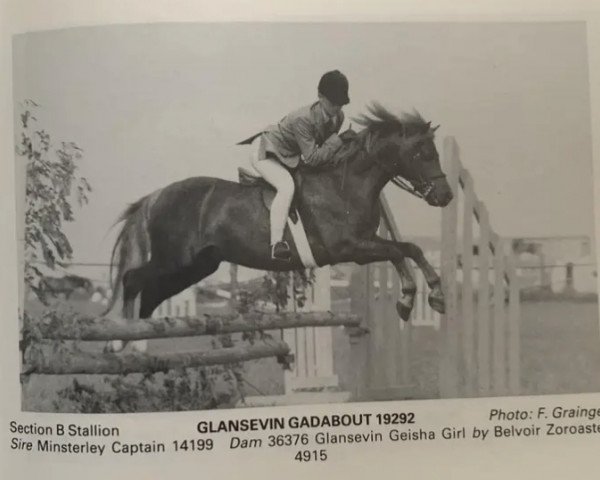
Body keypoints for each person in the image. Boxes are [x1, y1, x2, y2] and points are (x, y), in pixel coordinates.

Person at [248, 70, 354, 261]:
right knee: (286, 187)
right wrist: (338, 141)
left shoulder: (339, 117)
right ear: (320, 97)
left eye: (340, 104)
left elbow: (324, 151)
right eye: (332, 103)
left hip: (291, 156)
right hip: (266, 153)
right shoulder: (302, 119)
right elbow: (313, 158)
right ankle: (276, 244)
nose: (337, 108)